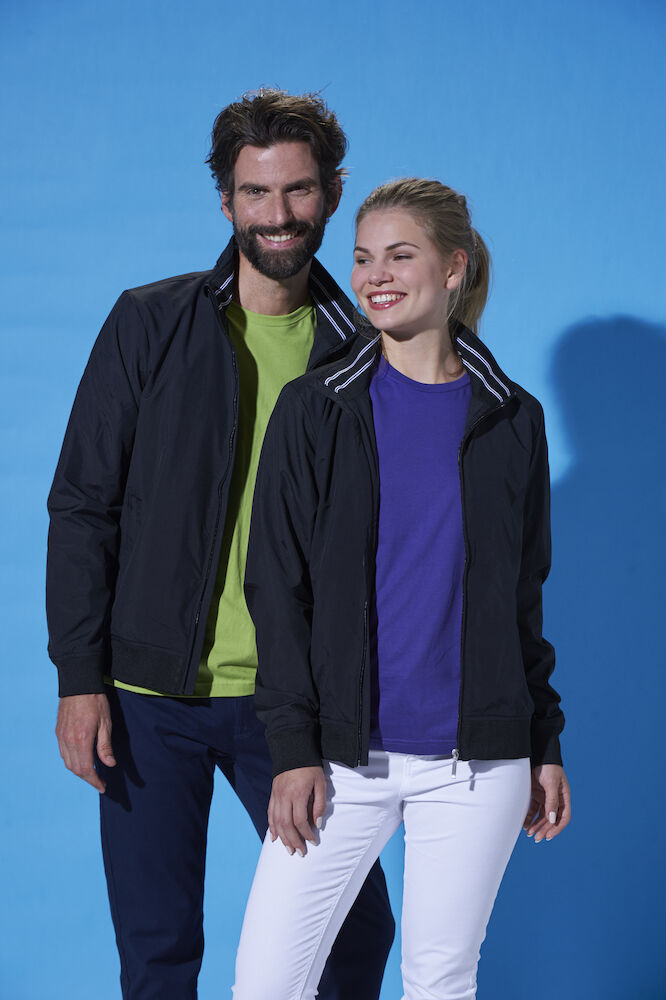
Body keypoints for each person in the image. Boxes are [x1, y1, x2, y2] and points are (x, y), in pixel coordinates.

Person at [46, 89, 394, 1000]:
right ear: (227, 200)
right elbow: (82, 505)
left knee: (354, 934)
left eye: (299, 190)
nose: (277, 215)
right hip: (147, 700)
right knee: (158, 951)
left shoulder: (365, 352)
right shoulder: (150, 323)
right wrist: (79, 677)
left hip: (290, 703)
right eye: (255, 193)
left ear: (332, 193)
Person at [234, 177, 572, 999]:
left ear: (454, 268)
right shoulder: (316, 409)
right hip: (343, 757)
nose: (375, 276)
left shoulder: (513, 419)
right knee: (267, 983)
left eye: (399, 255)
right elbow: (275, 586)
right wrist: (293, 749)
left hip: (477, 763)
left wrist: (544, 741)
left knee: (440, 980)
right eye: (362, 259)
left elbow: (521, 598)